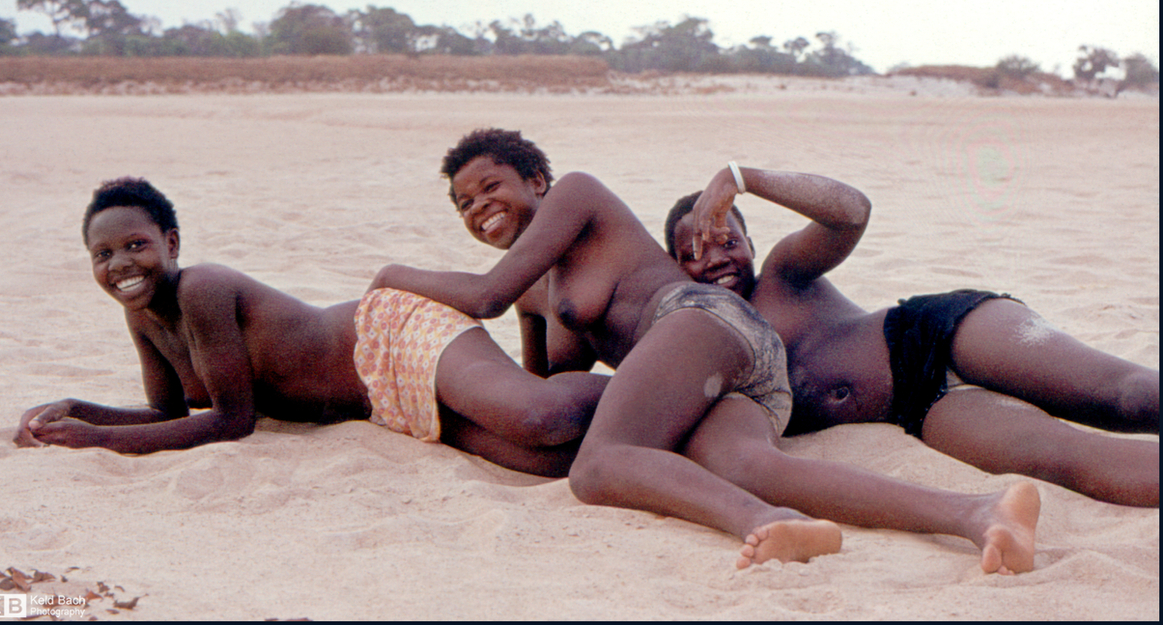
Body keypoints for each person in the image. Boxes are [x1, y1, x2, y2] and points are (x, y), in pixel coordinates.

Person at [371, 128, 1041, 572]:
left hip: (702, 321)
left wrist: (390, 276)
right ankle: (977, 514)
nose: (478, 207)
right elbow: (548, 396)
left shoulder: (576, 194)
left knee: (598, 468)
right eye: (463, 203)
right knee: (746, 464)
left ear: (536, 179)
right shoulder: (532, 291)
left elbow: (484, 296)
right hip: (730, 369)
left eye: (490, 187)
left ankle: (764, 521)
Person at [14, 177, 609, 478]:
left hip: (387, 333)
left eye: (135, 245)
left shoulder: (202, 289)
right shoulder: (142, 317)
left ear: (170, 243)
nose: (120, 264)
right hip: (376, 401)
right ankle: (644, 431)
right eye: (103, 255)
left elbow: (231, 421)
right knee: (549, 463)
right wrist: (76, 412)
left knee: (540, 418)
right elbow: (166, 416)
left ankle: (637, 385)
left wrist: (99, 440)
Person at [667, 163, 1159, 507]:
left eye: (727, 241)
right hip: (920, 408)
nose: (715, 259)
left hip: (938, 332)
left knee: (1127, 396)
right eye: (693, 253)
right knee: (1066, 460)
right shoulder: (696, 345)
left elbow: (851, 212)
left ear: (751, 245)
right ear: (674, 269)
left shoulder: (782, 275)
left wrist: (742, 178)